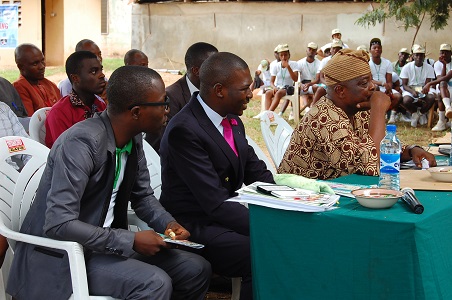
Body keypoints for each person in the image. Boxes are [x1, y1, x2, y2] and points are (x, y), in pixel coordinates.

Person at [6, 66, 211, 300]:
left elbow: (143, 196)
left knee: (195, 269)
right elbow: (59, 223)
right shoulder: (81, 144)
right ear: (135, 111)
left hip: (105, 245)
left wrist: (168, 224)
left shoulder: (132, 138)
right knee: (154, 283)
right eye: (162, 103)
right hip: (66, 256)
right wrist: (130, 239)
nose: (168, 110)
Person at [160, 52, 275, 300]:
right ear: (220, 90)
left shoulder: (232, 120)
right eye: (244, 89)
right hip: (192, 224)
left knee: (284, 240)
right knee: (261, 252)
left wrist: (287, 202)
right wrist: (267, 225)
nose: (249, 95)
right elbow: (214, 202)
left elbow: (258, 173)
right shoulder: (185, 130)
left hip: (223, 217)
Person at [278, 49, 436, 180]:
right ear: (340, 90)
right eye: (363, 83)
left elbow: (377, 146)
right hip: (300, 200)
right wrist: (379, 110)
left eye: (371, 80)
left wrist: (411, 151)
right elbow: (368, 165)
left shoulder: (357, 109)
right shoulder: (324, 117)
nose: (372, 87)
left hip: (330, 193)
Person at [145, 42, 218, 152]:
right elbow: (161, 142)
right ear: (196, 71)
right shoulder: (171, 97)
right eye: (214, 67)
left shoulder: (217, 92)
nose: (220, 71)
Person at [44, 51, 107, 148]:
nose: (102, 75)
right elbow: (66, 152)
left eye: (101, 70)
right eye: (94, 71)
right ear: (75, 78)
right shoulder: (60, 113)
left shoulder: (100, 105)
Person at [12, 43, 61, 116]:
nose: (42, 66)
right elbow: (31, 121)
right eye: (35, 64)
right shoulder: (19, 87)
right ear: (21, 67)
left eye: (42, 61)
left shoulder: (49, 84)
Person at [367, 38, 402, 123]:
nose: (377, 50)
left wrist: (388, 88)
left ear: (381, 49)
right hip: (372, 86)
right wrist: (382, 83)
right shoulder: (367, 63)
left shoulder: (387, 63)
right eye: (374, 48)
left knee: (398, 96)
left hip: (384, 86)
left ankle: (390, 115)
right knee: (376, 89)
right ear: (370, 50)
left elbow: (389, 81)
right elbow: (369, 80)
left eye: (379, 48)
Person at [400, 44, 436, 128]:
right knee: (406, 100)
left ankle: (420, 114)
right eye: (417, 55)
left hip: (423, 88)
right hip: (410, 88)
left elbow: (427, 84)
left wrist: (424, 90)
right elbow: (404, 85)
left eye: (421, 55)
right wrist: (412, 91)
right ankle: (414, 113)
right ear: (413, 56)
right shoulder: (406, 67)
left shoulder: (429, 67)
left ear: (424, 56)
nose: (419, 57)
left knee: (431, 98)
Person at [423, 43, 452, 131]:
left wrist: (429, 84)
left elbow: (448, 77)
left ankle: (443, 120)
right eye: (442, 53)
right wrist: (443, 65)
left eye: (446, 52)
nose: (444, 55)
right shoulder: (437, 64)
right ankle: (443, 118)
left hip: (450, 88)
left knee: (441, 91)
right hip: (443, 89)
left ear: (451, 53)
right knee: (442, 86)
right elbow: (441, 79)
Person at [264, 44, 299, 114]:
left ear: (289, 55)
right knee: (268, 93)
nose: (283, 57)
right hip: (278, 87)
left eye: (285, 55)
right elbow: (271, 81)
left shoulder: (294, 64)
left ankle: (269, 114)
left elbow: (295, 79)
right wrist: (274, 87)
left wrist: (288, 67)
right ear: (279, 56)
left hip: (288, 88)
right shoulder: (276, 66)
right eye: (281, 55)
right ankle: (267, 113)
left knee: (279, 93)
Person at [297, 42, 321, 113]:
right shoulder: (300, 62)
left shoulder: (319, 63)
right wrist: (300, 84)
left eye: (313, 50)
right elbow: (297, 78)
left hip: (313, 84)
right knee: (297, 90)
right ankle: (297, 111)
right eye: (309, 49)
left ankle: (313, 110)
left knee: (316, 88)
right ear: (306, 50)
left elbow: (317, 79)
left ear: (316, 52)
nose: (311, 51)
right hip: (302, 85)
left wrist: (309, 84)